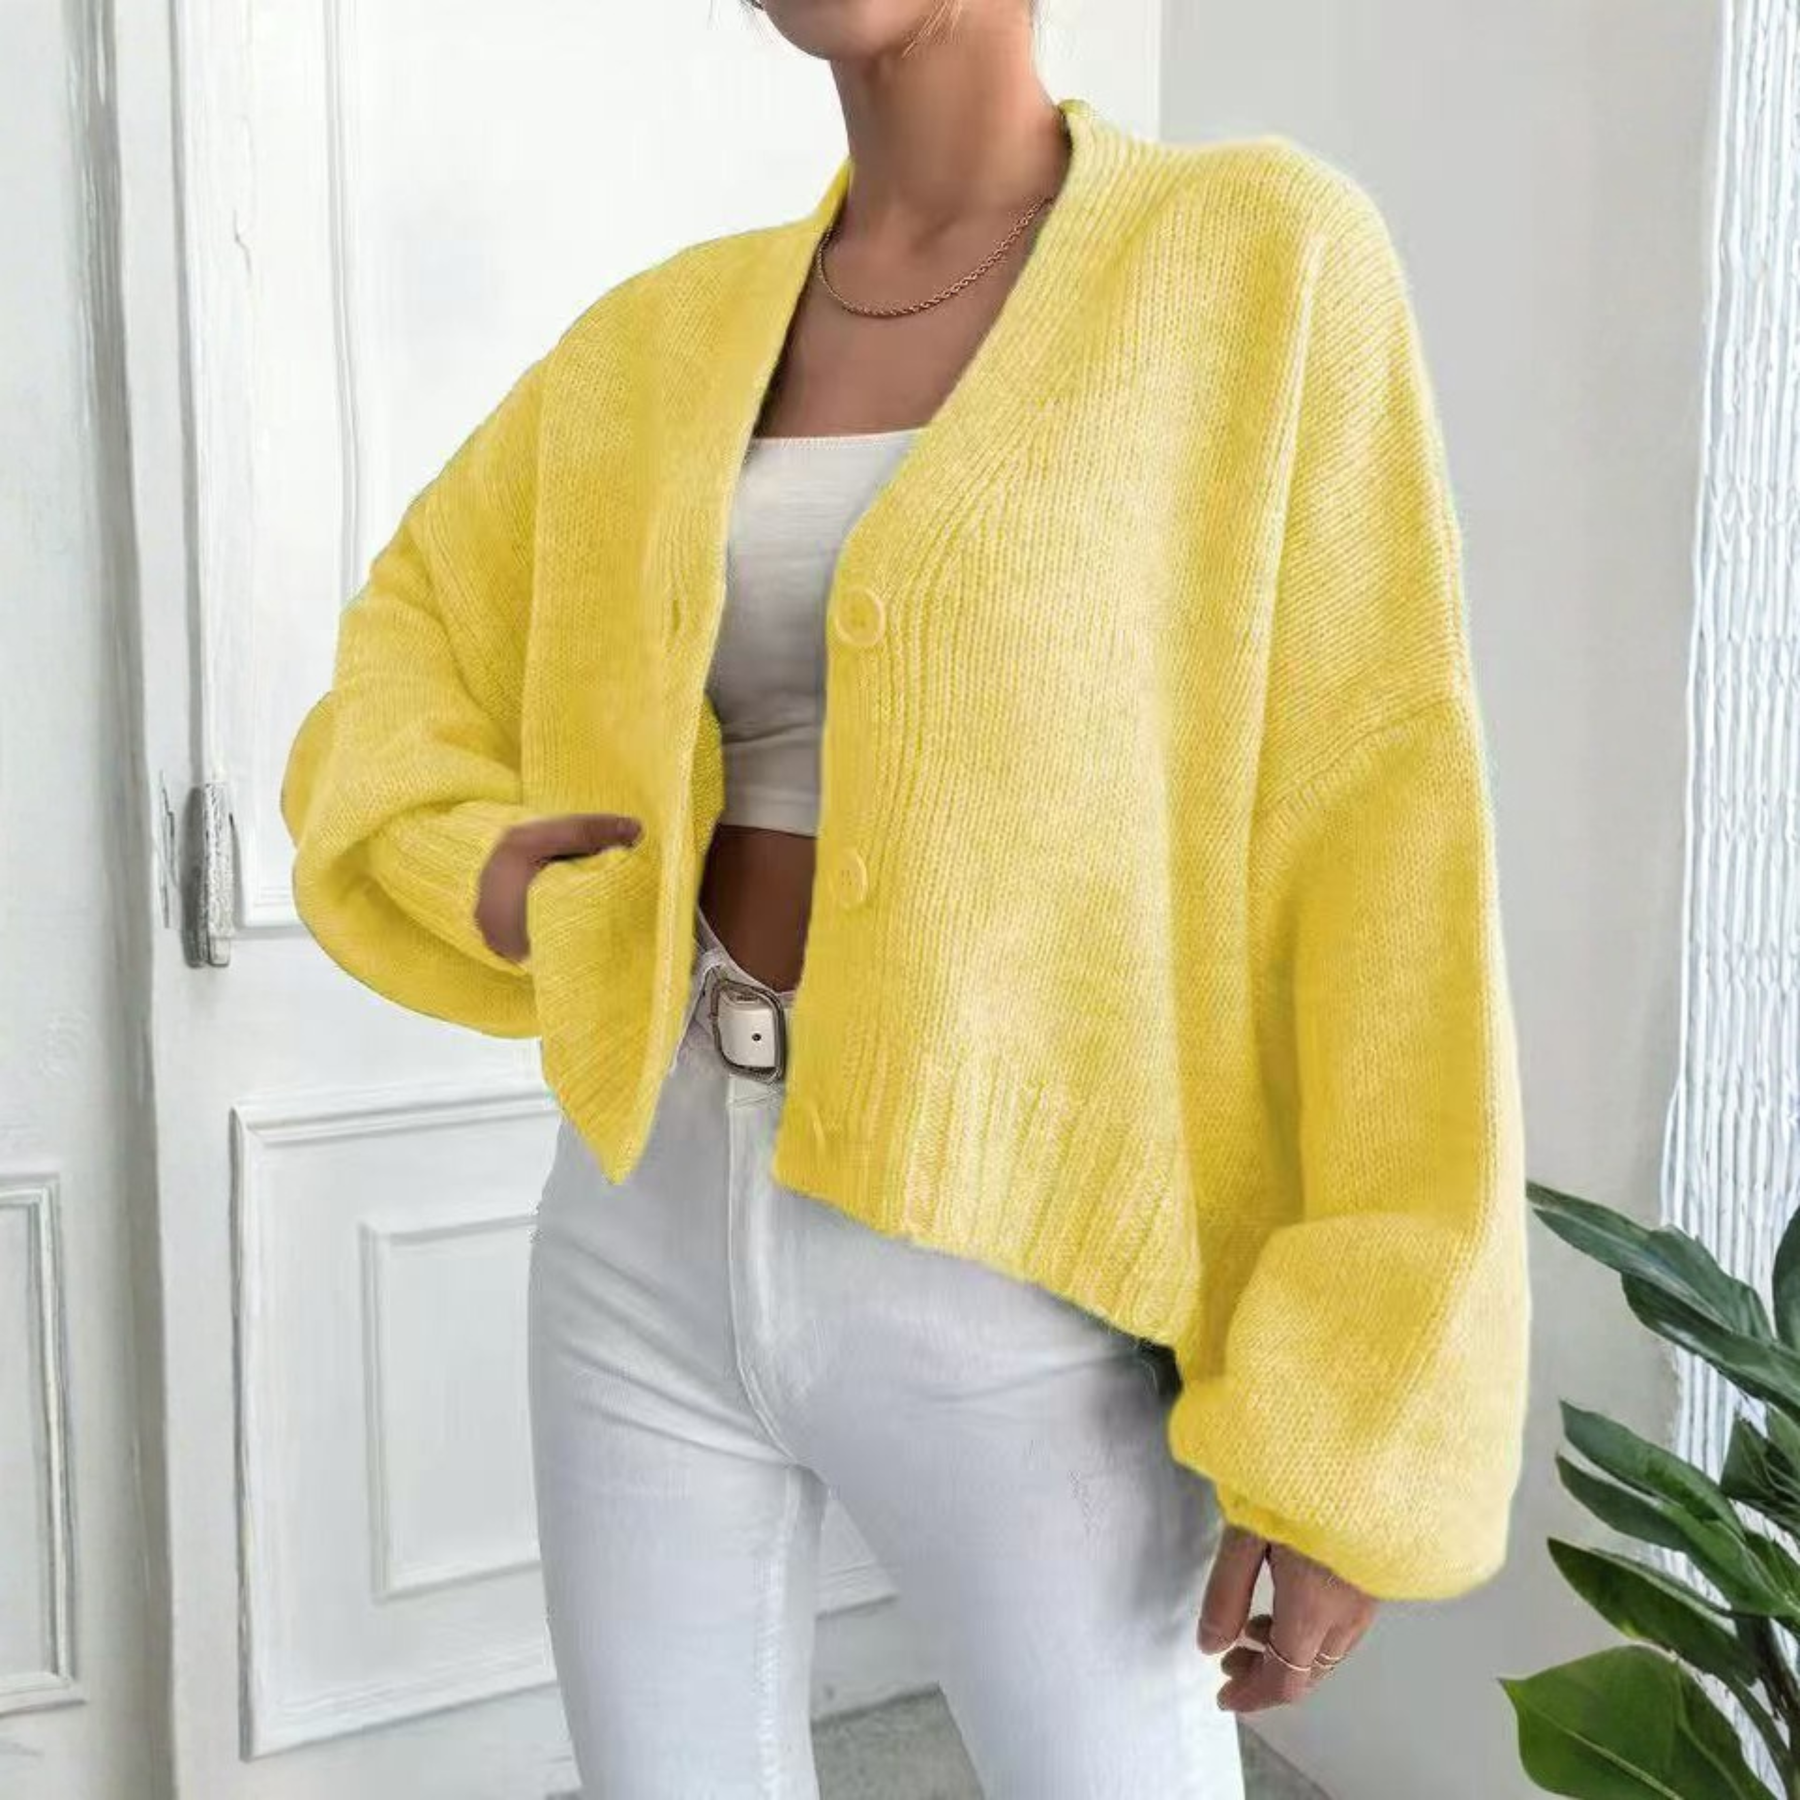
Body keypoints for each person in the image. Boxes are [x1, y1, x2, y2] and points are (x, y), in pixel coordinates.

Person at [279, 2, 1532, 1794]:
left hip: (1025, 1271)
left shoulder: (1257, 264)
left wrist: (1354, 1431)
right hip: (640, 1220)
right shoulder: (661, 337)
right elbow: (413, 633)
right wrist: (452, 855)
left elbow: (1386, 848)